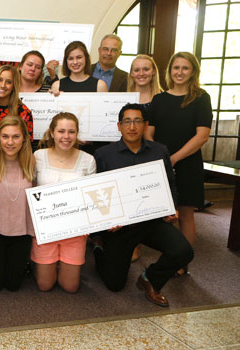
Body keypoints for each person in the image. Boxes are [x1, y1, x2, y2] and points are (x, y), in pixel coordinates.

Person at [93, 103, 194, 307]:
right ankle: (98, 251)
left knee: (184, 251)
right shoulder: (104, 154)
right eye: (127, 122)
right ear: (119, 126)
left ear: (145, 125)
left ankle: (150, 279)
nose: (132, 127)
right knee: (114, 284)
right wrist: (106, 222)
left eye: (138, 121)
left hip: (152, 221)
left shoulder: (159, 151)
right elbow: (97, 193)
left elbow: (169, 183)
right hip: (120, 228)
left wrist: (171, 206)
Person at [147, 52, 212, 276]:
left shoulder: (201, 98)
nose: (180, 72)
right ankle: (167, 258)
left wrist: (173, 158)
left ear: (193, 71)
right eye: (176, 68)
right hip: (160, 163)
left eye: (185, 68)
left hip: (187, 163)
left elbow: (202, 136)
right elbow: (149, 133)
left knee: (185, 213)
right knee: (162, 214)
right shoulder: (159, 99)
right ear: (169, 71)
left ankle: (181, 262)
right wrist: (160, 158)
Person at [32, 112, 96, 293]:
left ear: (77, 134)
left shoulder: (88, 160)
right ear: (52, 133)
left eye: (71, 132)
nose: (66, 137)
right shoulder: (38, 156)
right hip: (46, 230)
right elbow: (31, 189)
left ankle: (64, 263)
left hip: (74, 231)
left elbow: (91, 197)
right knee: (45, 285)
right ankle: (51, 263)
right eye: (61, 131)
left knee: (70, 287)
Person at [0, 116, 35, 292]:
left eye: (15, 137)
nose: (10, 142)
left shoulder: (32, 161)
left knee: (14, 285)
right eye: (5, 136)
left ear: (24, 139)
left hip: (21, 232)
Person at [126, 54, 163, 262]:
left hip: (150, 154)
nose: (141, 73)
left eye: (145, 69)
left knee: (145, 200)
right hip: (126, 153)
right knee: (129, 199)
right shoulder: (123, 97)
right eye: (137, 69)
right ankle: (131, 243)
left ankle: (141, 242)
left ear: (153, 72)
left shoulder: (161, 99)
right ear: (131, 73)